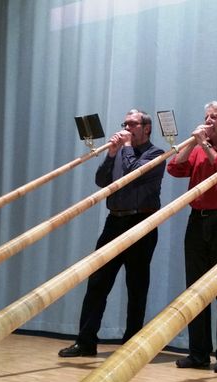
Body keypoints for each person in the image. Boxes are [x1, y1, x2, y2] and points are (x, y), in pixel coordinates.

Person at [58, 109, 166, 357]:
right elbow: (101, 180)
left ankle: (131, 345)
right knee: (97, 282)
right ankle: (85, 342)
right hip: (114, 221)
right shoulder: (121, 152)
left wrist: (125, 147)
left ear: (147, 128)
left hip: (141, 222)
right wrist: (111, 154)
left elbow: (132, 175)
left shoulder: (156, 154)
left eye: (132, 124)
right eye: (125, 124)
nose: (126, 128)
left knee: (136, 286)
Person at [166, 101, 217, 374]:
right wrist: (193, 143)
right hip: (197, 221)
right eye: (206, 116)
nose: (208, 121)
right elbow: (174, 168)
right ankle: (198, 353)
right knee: (195, 289)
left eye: (214, 117)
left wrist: (204, 145)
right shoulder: (199, 149)